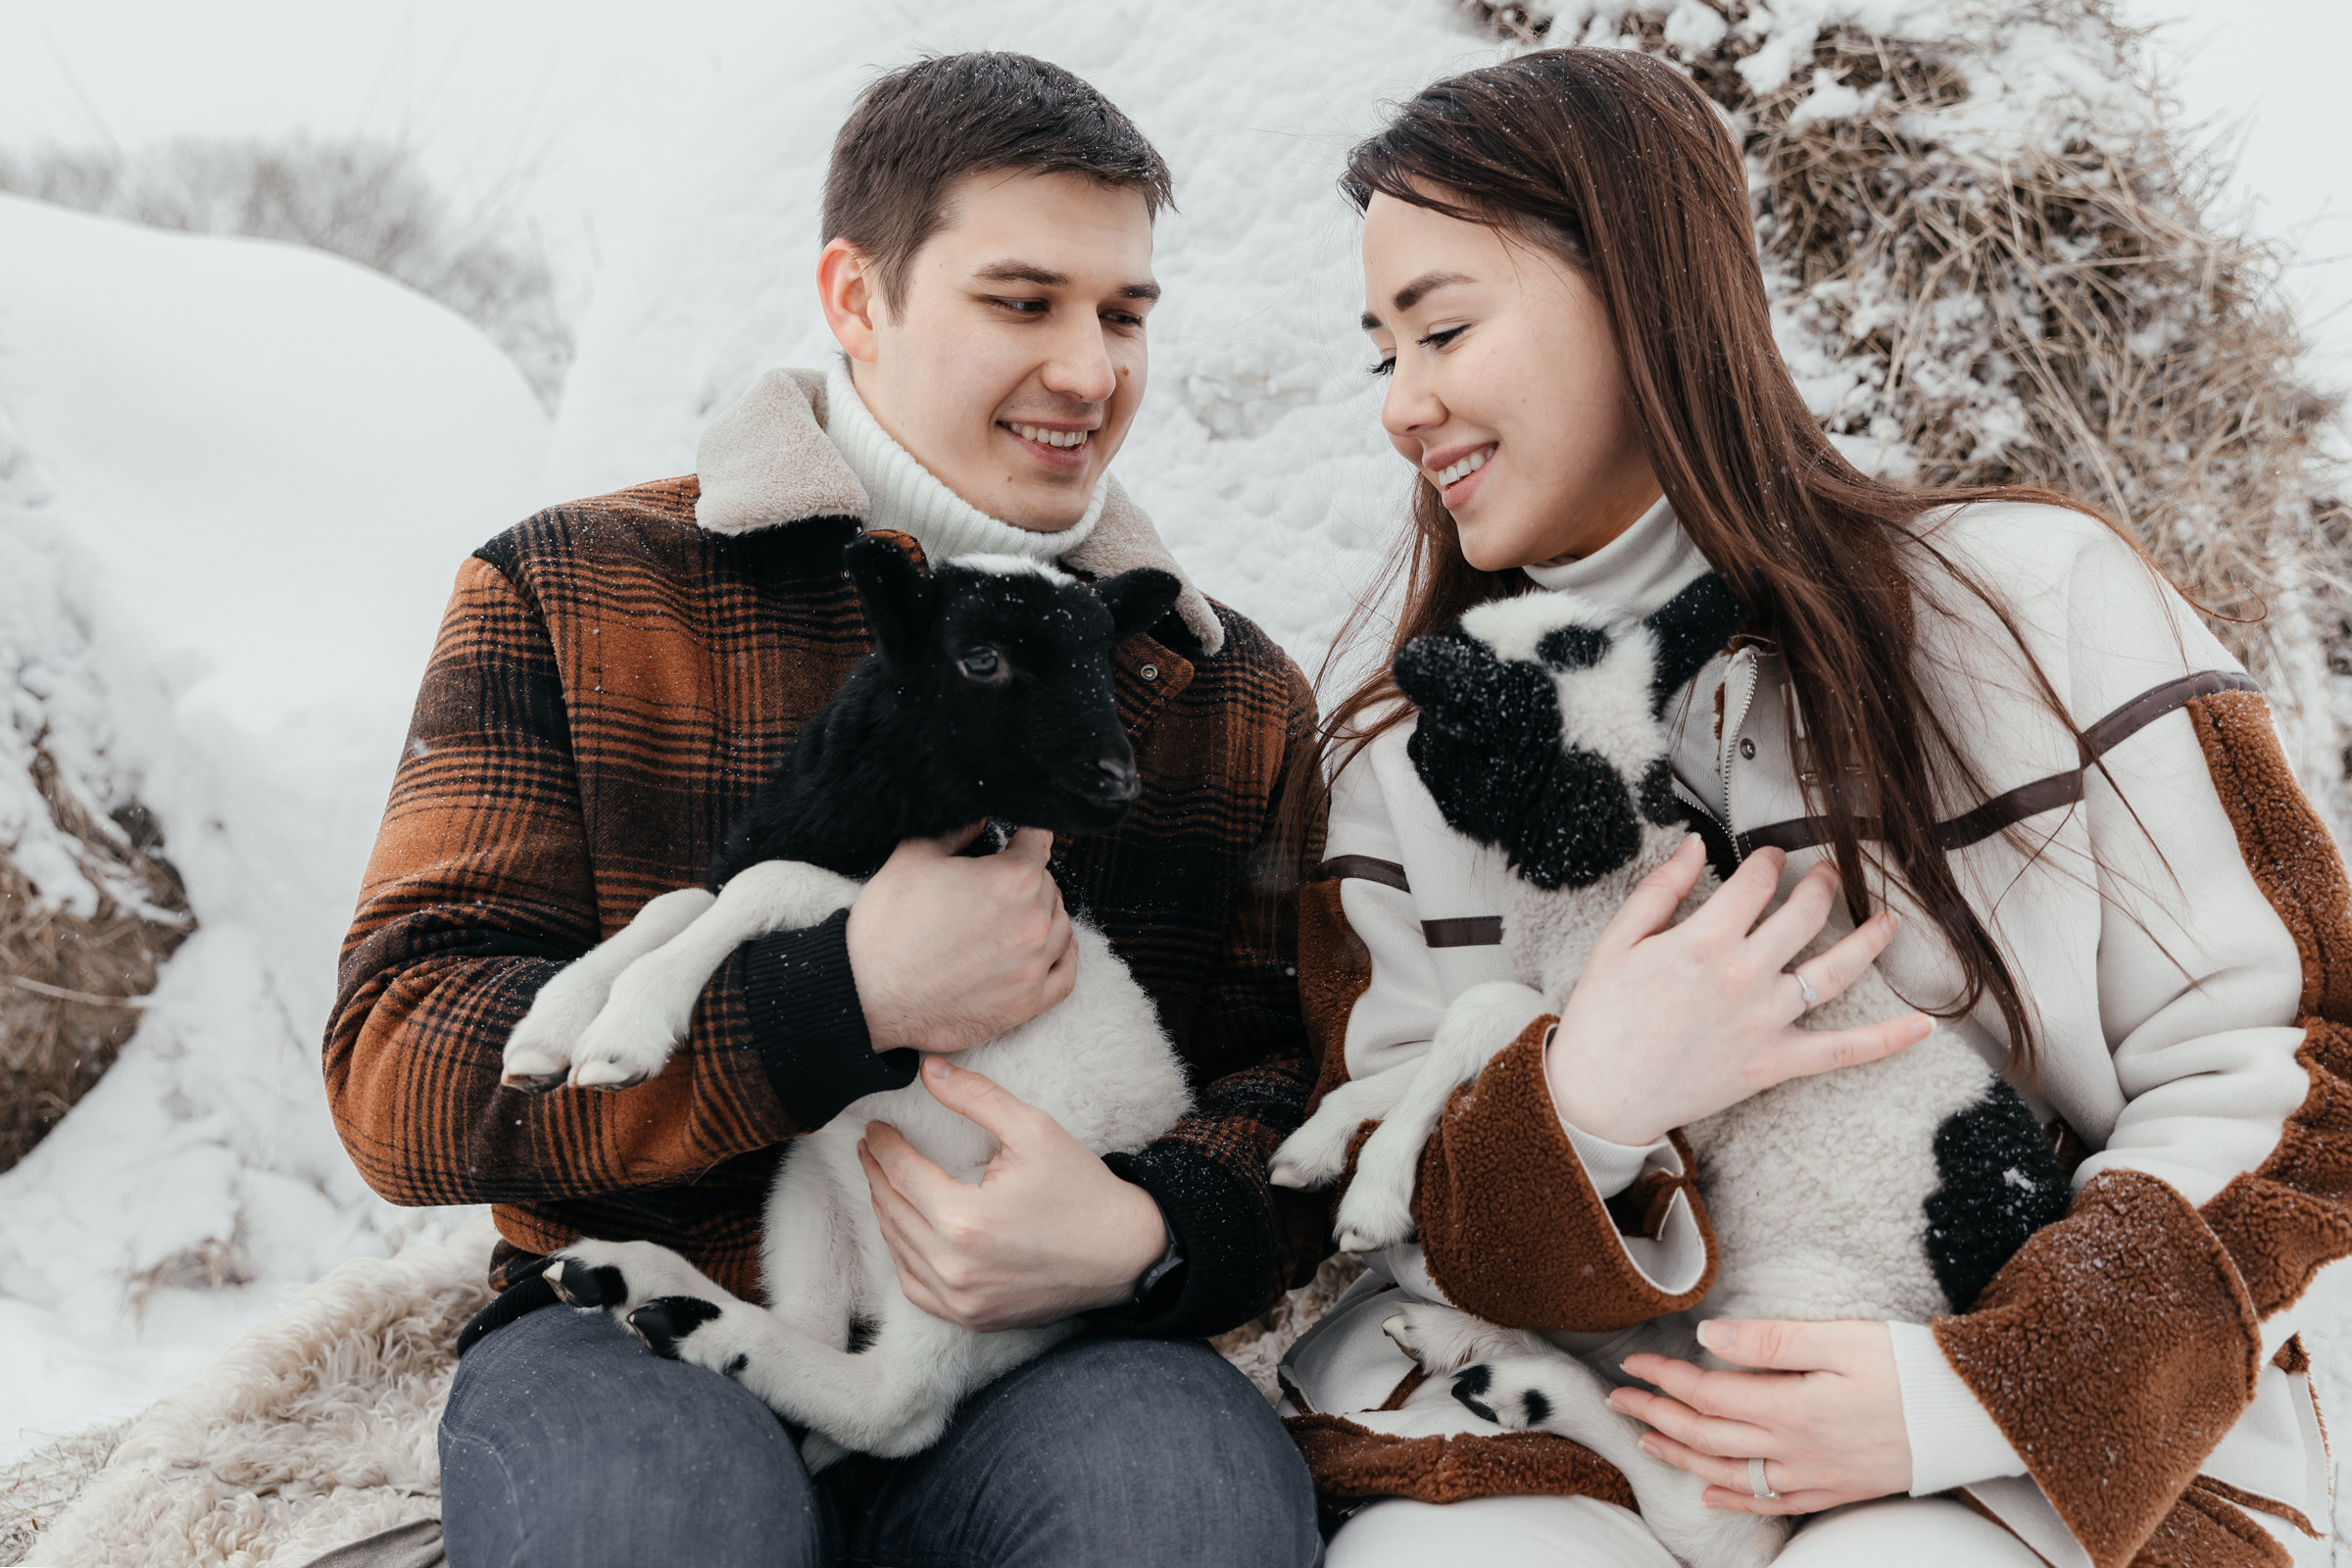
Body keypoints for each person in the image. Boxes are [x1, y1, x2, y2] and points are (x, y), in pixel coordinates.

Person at [1290, 47, 2342, 1568]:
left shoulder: (2033, 606)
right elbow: (1401, 1222)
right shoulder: (1402, 761)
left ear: (1644, 285)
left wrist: (1973, 1395)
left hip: (2053, 1432)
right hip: (1585, 1439)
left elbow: (2301, 1073)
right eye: (1381, 353)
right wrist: (1585, 1106)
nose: (1406, 403)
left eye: (1444, 326)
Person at [326, 52, 1327, 1568]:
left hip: (1046, 1354)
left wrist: (1155, 1228)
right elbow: (399, 1068)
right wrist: (832, 996)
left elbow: (1298, 1086)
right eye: (1022, 300)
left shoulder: (1219, 684)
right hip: (638, 1331)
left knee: (1177, 1508)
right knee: (651, 1527)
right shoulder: (581, 592)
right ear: (857, 299)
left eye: (1124, 314)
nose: (1089, 368)